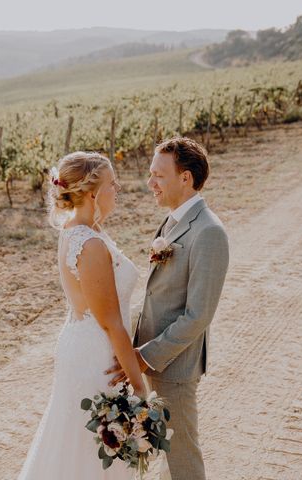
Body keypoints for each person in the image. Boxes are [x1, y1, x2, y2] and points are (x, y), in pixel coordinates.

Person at [107, 137, 229, 480]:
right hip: (151, 356)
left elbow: (199, 315)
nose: (150, 183)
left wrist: (146, 356)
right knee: (163, 454)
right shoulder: (173, 222)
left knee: (182, 460)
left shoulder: (209, 232)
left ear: (185, 178)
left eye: (158, 175)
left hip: (173, 365)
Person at [18, 151, 144, 480]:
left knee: (83, 447)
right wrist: (140, 387)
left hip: (84, 345)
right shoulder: (88, 244)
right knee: (92, 453)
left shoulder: (81, 230)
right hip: (97, 358)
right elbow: (111, 322)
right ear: (92, 194)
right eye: (112, 184)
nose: (117, 189)